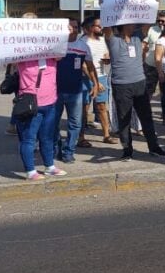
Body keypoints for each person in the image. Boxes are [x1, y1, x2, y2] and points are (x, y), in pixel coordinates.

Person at [103, 18, 165, 161]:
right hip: (121, 86)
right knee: (124, 119)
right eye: (131, 23)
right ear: (123, 26)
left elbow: (149, 22)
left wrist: (153, 3)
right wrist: (104, 6)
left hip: (140, 83)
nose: (135, 25)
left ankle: (153, 147)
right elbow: (106, 25)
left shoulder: (137, 37)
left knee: (146, 117)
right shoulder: (113, 39)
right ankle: (127, 149)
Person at [12, 49, 65, 181]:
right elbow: (8, 57)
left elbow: (61, 53)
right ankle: (30, 171)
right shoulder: (22, 54)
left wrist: (65, 32)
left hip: (50, 102)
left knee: (47, 138)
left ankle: (50, 167)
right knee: (28, 139)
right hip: (30, 104)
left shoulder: (52, 53)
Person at [53, 18, 99, 163]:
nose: (72, 29)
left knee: (76, 123)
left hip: (76, 92)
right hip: (55, 92)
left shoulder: (83, 46)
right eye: (69, 27)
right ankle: (57, 148)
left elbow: (90, 67)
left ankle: (69, 152)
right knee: (53, 123)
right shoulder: (55, 45)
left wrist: (95, 84)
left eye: (74, 27)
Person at [82, 17, 118, 144]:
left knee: (102, 106)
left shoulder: (103, 40)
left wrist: (108, 57)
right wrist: (95, 82)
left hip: (102, 75)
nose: (101, 28)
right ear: (90, 28)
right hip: (86, 78)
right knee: (84, 108)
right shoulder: (83, 42)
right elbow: (83, 64)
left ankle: (106, 135)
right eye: (98, 26)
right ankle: (81, 137)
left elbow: (106, 54)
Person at [141, 11, 165, 99]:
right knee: (148, 90)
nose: (160, 23)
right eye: (158, 21)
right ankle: (145, 110)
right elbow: (144, 44)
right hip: (150, 65)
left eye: (162, 21)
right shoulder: (151, 29)